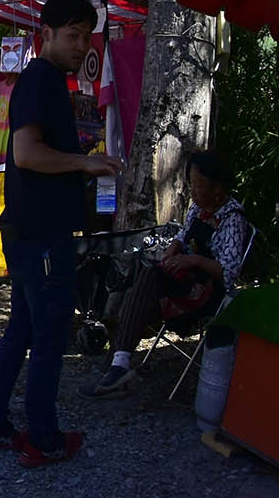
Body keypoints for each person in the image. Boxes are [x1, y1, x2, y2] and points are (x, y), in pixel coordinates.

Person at [0, 0, 120, 467]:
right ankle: (43, 438)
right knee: (49, 335)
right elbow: (25, 153)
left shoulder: (48, 81)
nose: (81, 46)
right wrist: (84, 162)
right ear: (47, 35)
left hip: (28, 229)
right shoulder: (40, 78)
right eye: (73, 35)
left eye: (86, 36)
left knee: (23, 327)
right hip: (40, 234)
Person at [81, 151, 250, 398]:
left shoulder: (232, 218)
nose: (193, 190)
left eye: (199, 185)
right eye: (191, 183)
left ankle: (117, 367)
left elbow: (228, 270)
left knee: (147, 284)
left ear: (217, 187)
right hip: (184, 282)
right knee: (144, 291)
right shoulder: (197, 209)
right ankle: (117, 368)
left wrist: (192, 260)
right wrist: (173, 252)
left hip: (206, 293)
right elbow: (182, 238)